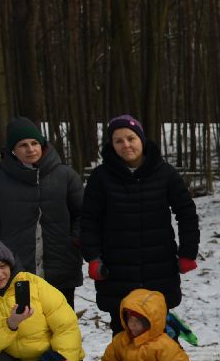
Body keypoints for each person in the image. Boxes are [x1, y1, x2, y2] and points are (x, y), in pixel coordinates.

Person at [80, 115, 200, 333]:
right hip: (117, 272)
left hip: (159, 269)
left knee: (161, 340)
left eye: (131, 138)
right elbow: (88, 220)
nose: (126, 145)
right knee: (123, 337)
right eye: (118, 141)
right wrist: (93, 257)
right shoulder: (100, 178)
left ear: (141, 139)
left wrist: (188, 253)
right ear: (112, 145)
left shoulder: (165, 173)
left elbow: (187, 213)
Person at [0, 118, 85, 308]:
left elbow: (83, 214)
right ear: (13, 150)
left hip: (61, 266)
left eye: (35, 143)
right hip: (17, 269)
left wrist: (75, 240)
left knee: (63, 327)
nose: (30, 149)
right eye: (23, 145)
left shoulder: (66, 176)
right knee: (27, 328)